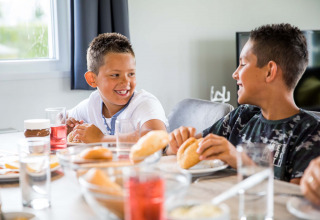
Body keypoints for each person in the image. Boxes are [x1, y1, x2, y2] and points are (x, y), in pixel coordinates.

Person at [166, 23, 320, 184]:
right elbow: (186, 151)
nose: (235, 74)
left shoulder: (311, 132)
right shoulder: (241, 116)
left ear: (269, 71)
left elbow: (297, 199)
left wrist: (240, 160)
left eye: (243, 64)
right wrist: (176, 144)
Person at [67, 33, 168, 143]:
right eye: (115, 75)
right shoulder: (92, 104)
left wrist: (101, 139)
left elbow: (157, 137)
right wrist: (67, 125)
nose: (126, 82)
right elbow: (62, 116)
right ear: (92, 79)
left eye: (131, 74)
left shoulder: (144, 103)